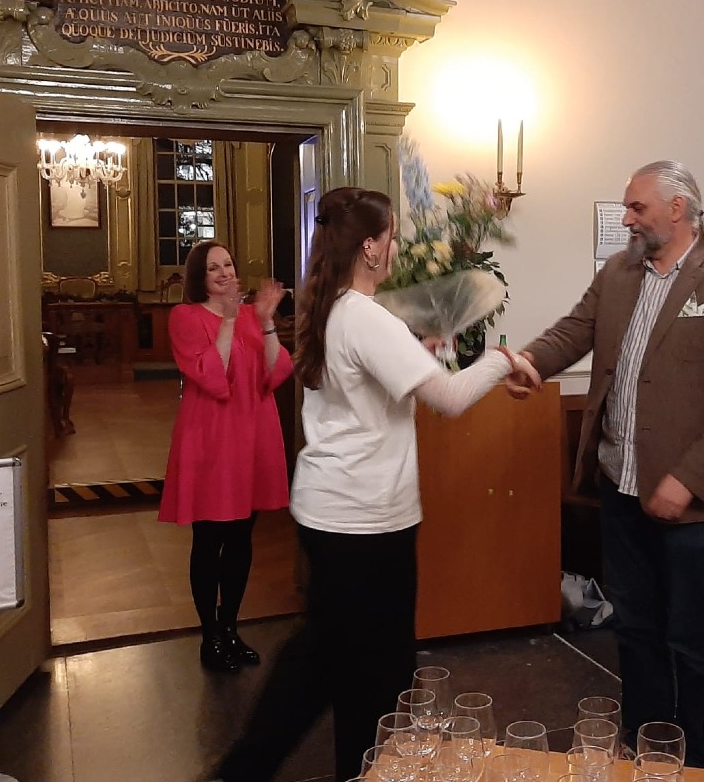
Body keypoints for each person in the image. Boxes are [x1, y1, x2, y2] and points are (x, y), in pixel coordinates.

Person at [213, 186, 540, 782]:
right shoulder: (365, 316)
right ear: (369, 246)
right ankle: (248, 769)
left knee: (345, 663)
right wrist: (502, 359)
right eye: (391, 237)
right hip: (362, 521)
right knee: (363, 671)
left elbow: (369, 386)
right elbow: (448, 399)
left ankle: (274, 767)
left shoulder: (334, 307)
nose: (395, 247)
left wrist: (417, 353)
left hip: (335, 510)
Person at [506, 161, 704, 768]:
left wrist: (688, 479)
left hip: (689, 500)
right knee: (635, 627)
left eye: (636, 207)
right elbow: (575, 329)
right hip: (619, 485)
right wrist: (530, 363)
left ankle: (697, 758)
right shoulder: (620, 272)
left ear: (677, 210)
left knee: (690, 636)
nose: (626, 218)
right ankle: (651, 744)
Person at [158, 241, 293, 673]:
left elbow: (275, 372)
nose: (224, 273)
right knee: (209, 537)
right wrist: (230, 321)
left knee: (240, 537)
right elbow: (211, 375)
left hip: (252, 433)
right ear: (200, 277)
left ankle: (231, 628)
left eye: (229, 265)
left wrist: (266, 321)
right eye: (214, 268)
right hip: (211, 436)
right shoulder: (186, 317)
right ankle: (210, 635)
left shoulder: (253, 315)